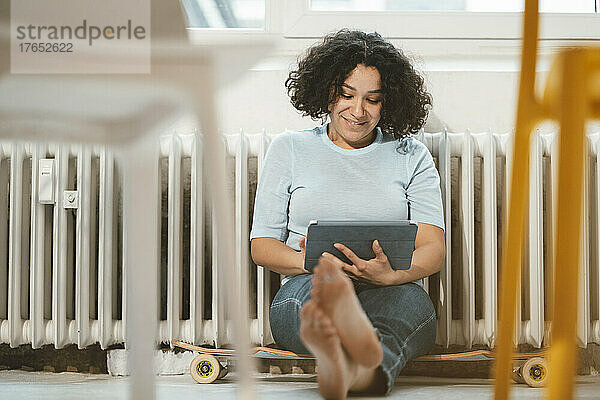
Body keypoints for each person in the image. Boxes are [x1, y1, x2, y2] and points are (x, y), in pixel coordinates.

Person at [249, 29, 445, 399]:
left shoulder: (411, 154)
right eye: (347, 95)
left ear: (389, 103)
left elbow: (433, 248)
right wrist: (306, 261)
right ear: (327, 92)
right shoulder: (289, 149)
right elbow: (262, 247)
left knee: (413, 306)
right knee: (313, 304)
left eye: (373, 100)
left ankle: (365, 370)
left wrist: (393, 275)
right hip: (311, 284)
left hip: (387, 288)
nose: (358, 111)